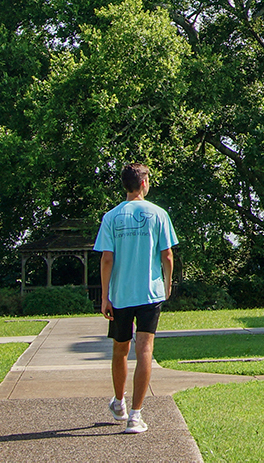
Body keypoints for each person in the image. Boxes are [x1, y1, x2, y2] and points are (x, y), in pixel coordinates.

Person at [94, 162, 178, 435]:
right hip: (149, 292)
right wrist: (167, 284)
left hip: (120, 294)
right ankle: (135, 415)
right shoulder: (158, 214)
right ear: (144, 184)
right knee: (144, 349)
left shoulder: (111, 217)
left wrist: (105, 296)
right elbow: (167, 255)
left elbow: (107, 258)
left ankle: (119, 403)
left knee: (120, 349)